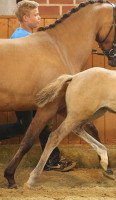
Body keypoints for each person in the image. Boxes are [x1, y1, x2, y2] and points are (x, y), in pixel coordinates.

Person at [0, 0, 76, 172]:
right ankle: (52, 160)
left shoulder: (29, 36)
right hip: (22, 90)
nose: (39, 18)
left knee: (42, 122)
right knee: (26, 126)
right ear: (25, 18)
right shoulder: (21, 38)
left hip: (33, 90)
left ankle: (52, 160)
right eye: (35, 15)